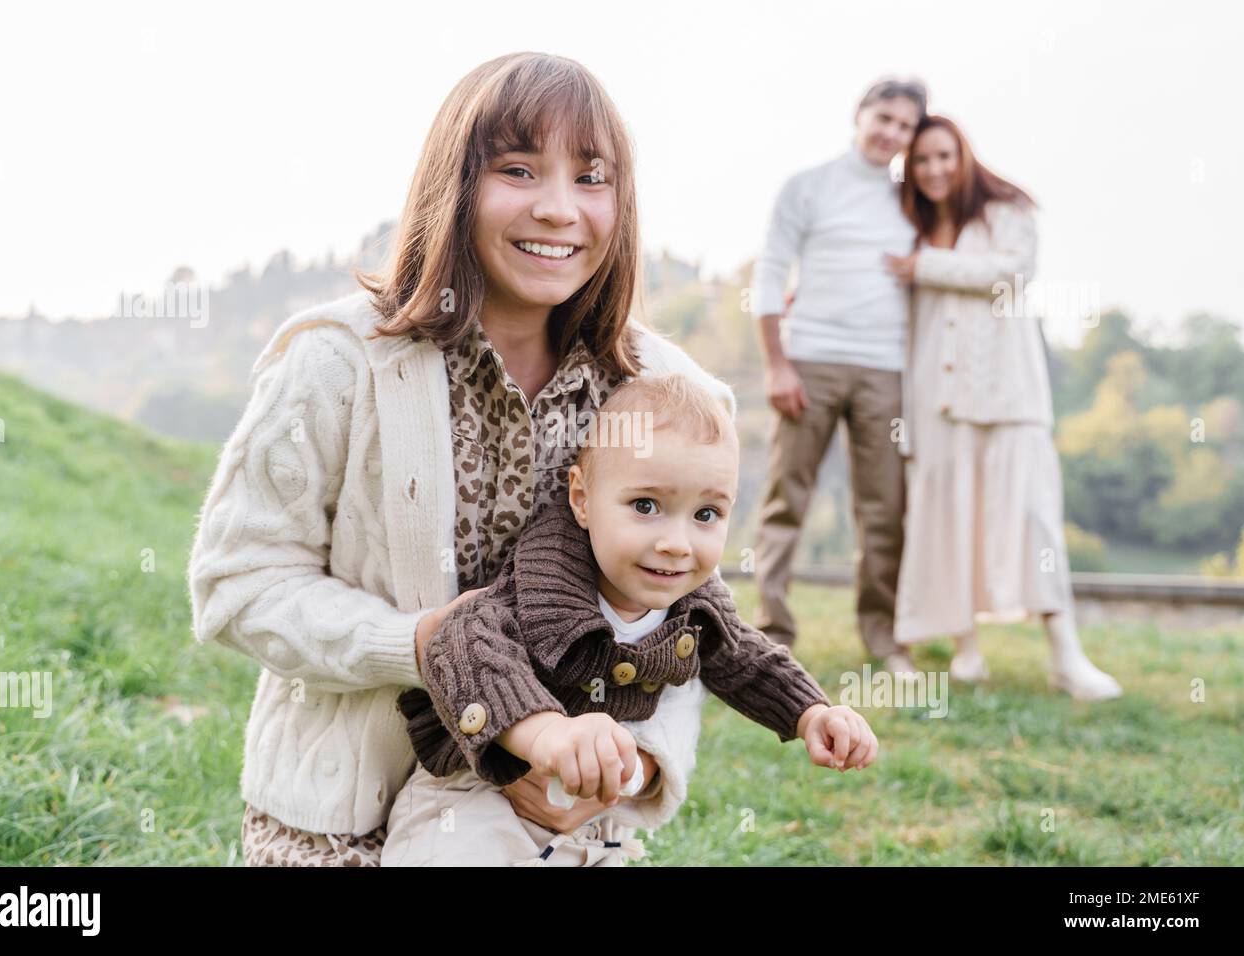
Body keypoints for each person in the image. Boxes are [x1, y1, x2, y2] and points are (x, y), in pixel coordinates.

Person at [186, 52, 742, 866]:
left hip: (560, 830)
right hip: (342, 824)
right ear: (455, 185)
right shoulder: (337, 363)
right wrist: (418, 643)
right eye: (519, 170)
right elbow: (238, 585)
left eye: (592, 179)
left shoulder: (669, 390)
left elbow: (687, 615)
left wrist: (631, 764)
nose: (559, 209)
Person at [380, 374, 877, 865]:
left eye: (706, 515)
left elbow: (747, 658)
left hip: (589, 820)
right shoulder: (545, 584)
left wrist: (812, 712)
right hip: (476, 793)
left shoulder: (694, 603)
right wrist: (546, 733)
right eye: (646, 506)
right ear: (582, 500)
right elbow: (462, 640)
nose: (677, 543)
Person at [883, 115, 1122, 700]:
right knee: (947, 516)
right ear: (909, 170)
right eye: (922, 161)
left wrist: (928, 268)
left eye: (944, 156)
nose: (935, 169)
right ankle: (965, 645)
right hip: (935, 399)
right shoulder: (906, 225)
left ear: (963, 155)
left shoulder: (1007, 210)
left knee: (1034, 517)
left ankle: (1066, 654)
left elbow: (1012, 274)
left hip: (1008, 392)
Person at [749, 78, 928, 675]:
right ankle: (771, 632)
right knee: (786, 501)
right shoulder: (809, 186)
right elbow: (771, 273)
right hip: (812, 361)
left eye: (905, 126)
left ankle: (882, 636)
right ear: (860, 114)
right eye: (884, 118)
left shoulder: (913, 198)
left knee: (885, 508)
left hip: (888, 369)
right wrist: (777, 363)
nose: (891, 134)